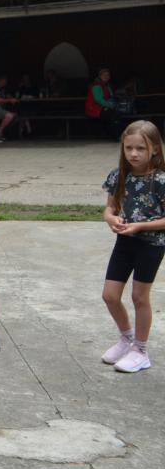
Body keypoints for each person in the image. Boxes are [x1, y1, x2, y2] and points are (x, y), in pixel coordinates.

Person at [98, 120, 165, 373]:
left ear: (155, 149)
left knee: (139, 297)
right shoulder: (118, 176)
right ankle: (126, 339)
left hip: (152, 244)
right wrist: (111, 219)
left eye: (141, 148)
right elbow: (110, 207)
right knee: (110, 295)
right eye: (129, 148)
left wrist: (140, 226)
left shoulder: (161, 180)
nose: (134, 154)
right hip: (125, 241)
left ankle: (141, 350)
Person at [86, 67, 121, 140]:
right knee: (113, 115)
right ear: (99, 76)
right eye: (104, 75)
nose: (106, 76)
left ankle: (115, 135)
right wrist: (110, 106)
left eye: (108, 75)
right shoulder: (96, 85)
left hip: (101, 107)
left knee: (115, 113)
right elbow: (98, 99)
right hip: (94, 109)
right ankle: (116, 136)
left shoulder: (106, 85)